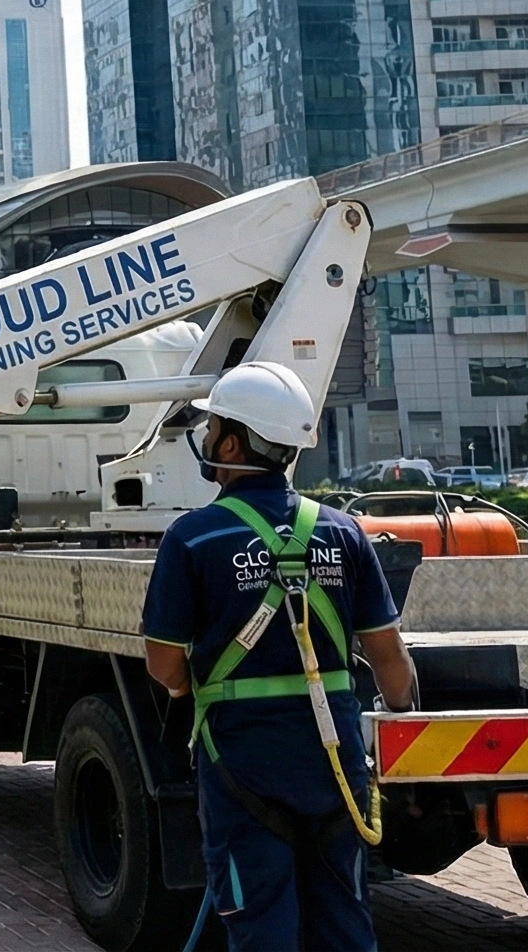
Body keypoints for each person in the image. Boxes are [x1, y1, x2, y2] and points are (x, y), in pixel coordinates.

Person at [141, 361, 419, 952]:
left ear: (234, 442)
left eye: (214, 426)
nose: (209, 437)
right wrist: (399, 714)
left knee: (261, 928)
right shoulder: (344, 533)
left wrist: (186, 691)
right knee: (344, 925)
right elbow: (389, 657)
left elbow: (163, 663)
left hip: (242, 764)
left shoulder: (192, 538)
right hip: (335, 766)